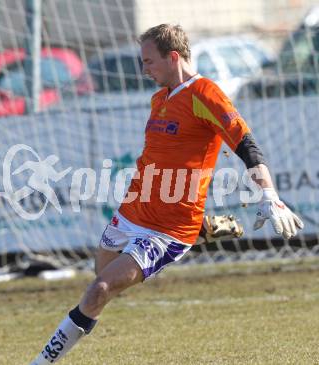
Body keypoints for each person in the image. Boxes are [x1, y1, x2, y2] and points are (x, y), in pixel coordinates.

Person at [29, 24, 304, 364]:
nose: (144, 70)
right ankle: (204, 227)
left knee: (99, 291)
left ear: (173, 57)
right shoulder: (160, 97)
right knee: (99, 279)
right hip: (132, 211)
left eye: (149, 62)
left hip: (167, 229)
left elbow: (246, 144)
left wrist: (269, 196)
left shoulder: (205, 94)